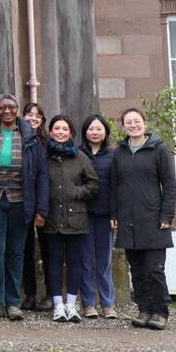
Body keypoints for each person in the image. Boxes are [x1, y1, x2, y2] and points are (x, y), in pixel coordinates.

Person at [0, 93, 48, 322]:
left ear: (17, 109)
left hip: (20, 202)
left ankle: (13, 302)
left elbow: (41, 175)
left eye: (11, 107)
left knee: (15, 252)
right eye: (2, 107)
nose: (7, 111)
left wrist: (41, 209)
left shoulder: (29, 137)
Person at [112, 107, 176, 331]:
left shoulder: (159, 150)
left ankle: (160, 311)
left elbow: (169, 185)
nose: (133, 125)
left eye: (136, 121)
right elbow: (114, 186)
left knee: (154, 269)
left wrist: (167, 215)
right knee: (137, 270)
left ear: (144, 123)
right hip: (128, 219)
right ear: (123, 126)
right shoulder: (119, 153)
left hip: (153, 219)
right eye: (128, 122)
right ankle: (144, 309)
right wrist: (114, 214)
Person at [43, 114, 98, 323]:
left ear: (71, 133)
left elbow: (93, 184)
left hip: (76, 218)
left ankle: (71, 304)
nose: (60, 132)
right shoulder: (44, 156)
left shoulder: (80, 157)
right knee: (54, 261)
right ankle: (58, 304)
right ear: (51, 131)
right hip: (52, 218)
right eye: (57, 128)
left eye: (65, 129)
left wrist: (77, 192)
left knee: (75, 261)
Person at [80, 113, 117, 319]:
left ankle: (108, 304)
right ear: (85, 132)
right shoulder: (78, 154)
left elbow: (117, 186)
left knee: (105, 260)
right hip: (83, 214)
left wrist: (115, 213)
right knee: (86, 260)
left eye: (99, 129)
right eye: (91, 129)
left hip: (105, 215)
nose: (95, 132)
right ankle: (88, 303)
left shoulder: (113, 156)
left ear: (105, 132)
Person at [21, 101, 51, 311]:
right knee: (25, 251)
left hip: (45, 202)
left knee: (48, 251)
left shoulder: (48, 143)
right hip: (23, 201)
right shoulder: (18, 139)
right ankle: (29, 294)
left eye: (37, 115)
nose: (33, 118)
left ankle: (51, 294)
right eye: (29, 114)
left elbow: (45, 177)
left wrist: (42, 209)